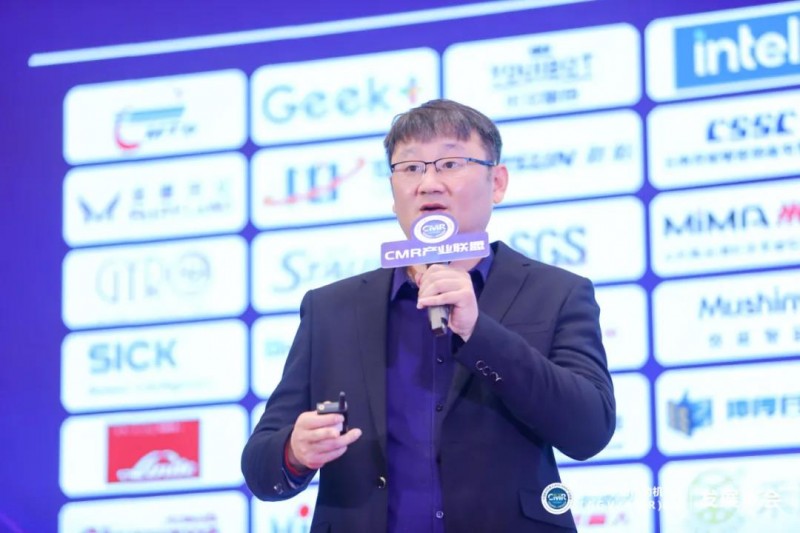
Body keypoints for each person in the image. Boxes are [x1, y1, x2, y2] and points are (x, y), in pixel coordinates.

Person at [242, 99, 616, 532]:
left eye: (450, 163)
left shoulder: (556, 292)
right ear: (393, 190)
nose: (429, 183)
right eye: (411, 168)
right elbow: (261, 468)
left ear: (497, 182)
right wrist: (294, 451)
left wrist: (479, 332)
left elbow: (589, 430)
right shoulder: (331, 309)